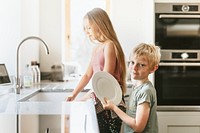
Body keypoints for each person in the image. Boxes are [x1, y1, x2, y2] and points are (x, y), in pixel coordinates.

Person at [66, 8, 127, 133]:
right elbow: (88, 75)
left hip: (110, 100)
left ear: (99, 24)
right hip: (101, 98)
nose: (86, 32)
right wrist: (74, 94)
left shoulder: (109, 45)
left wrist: (88, 96)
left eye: (88, 27)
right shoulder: (97, 49)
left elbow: (105, 77)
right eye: (85, 29)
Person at [102, 43, 161, 133]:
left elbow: (138, 127)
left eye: (141, 65)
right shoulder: (137, 87)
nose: (134, 68)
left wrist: (114, 108)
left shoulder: (145, 91)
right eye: (132, 62)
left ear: (153, 68)